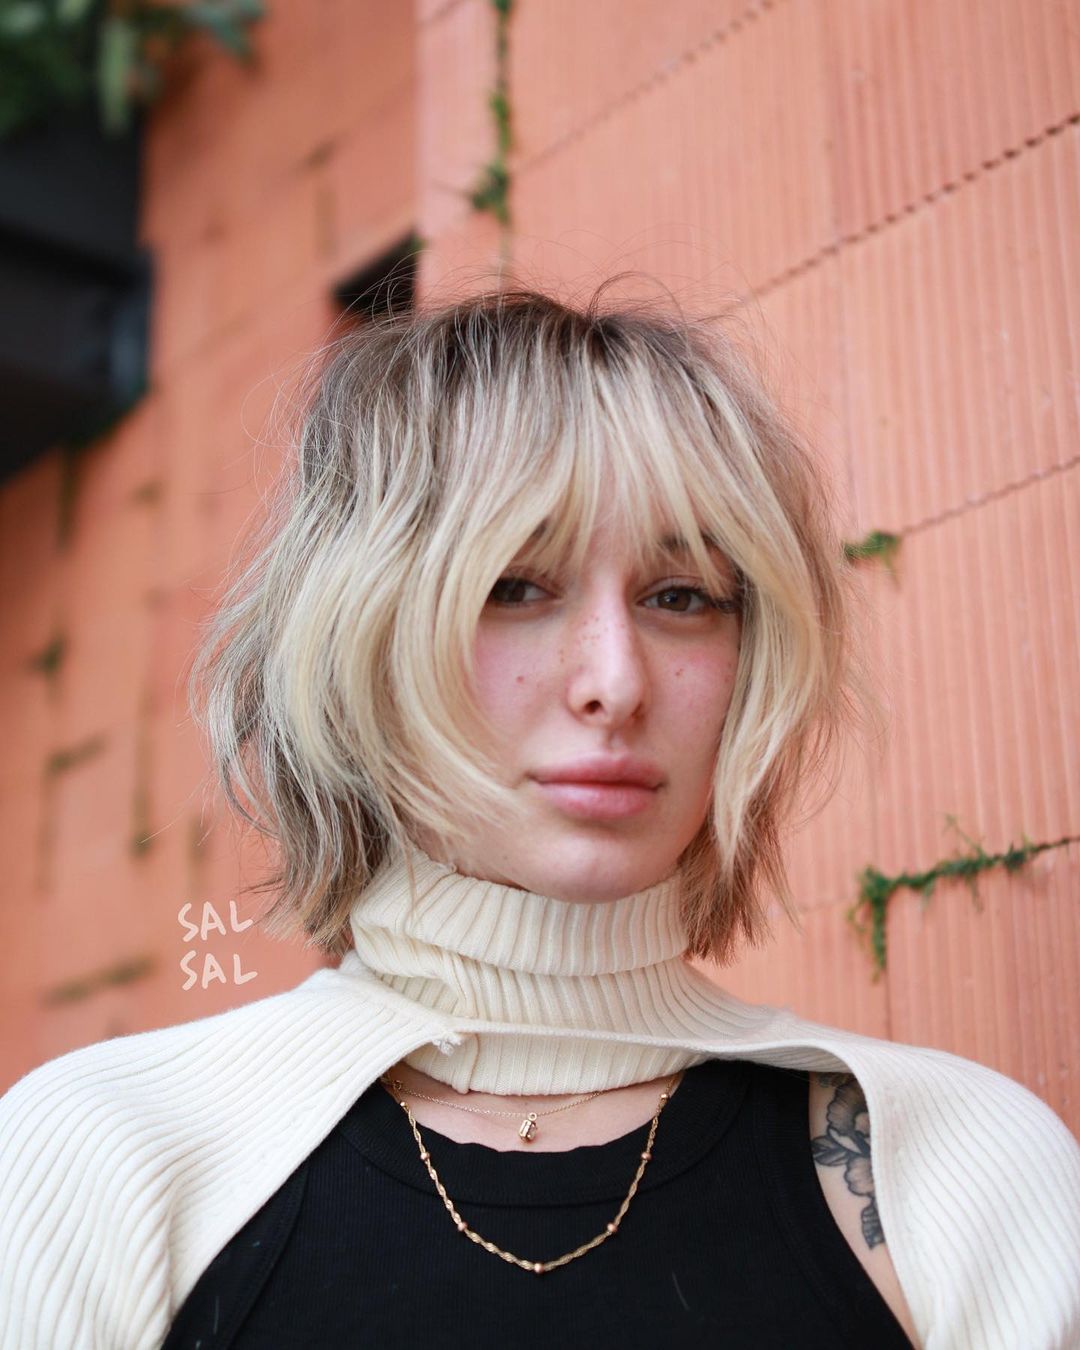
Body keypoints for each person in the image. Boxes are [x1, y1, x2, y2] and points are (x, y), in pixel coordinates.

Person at [1, 284, 1078, 1350]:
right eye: (515, 586)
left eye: (683, 594)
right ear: (358, 641)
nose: (614, 682)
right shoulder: (104, 1158)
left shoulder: (958, 1170)